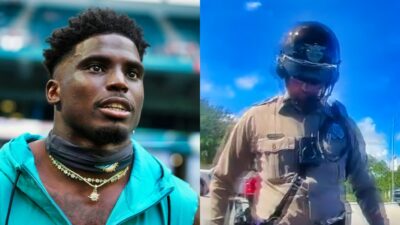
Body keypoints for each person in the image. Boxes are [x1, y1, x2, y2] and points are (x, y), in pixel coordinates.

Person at [0, 8, 198, 225]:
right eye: (96, 67)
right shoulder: (4, 179)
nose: (120, 82)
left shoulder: (182, 205)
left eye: (132, 74)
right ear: (54, 92)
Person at [209, 21, 388, 225]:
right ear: (284, 71)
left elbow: (365, 187)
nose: (306, 86)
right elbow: (223, 180)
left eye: (315, 80)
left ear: (329, 80)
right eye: (299, 77)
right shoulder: (255, 119)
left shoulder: (344, 126)